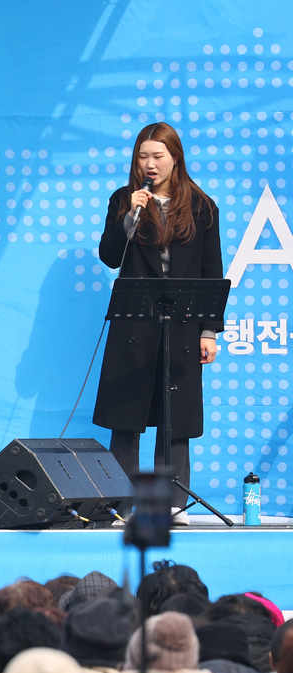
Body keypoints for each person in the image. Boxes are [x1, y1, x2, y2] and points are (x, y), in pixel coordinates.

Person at [95, 122, 222, 519]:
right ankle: (123, 503)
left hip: (182, 324)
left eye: (158, 156)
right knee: (126, 417)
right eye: (142, 156)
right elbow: (110, 256)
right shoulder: (123, 200)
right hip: (134, 325)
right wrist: (131, 216)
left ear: (175, 158)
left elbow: (210, 270)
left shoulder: (202, 206)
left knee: (176, 417)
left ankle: (172, 503)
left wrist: (208, 330)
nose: (149, 164)